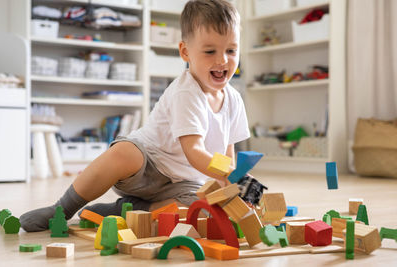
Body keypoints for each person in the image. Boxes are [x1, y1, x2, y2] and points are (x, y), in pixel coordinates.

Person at [20, 0, 250, 232]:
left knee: (200, 208)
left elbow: (226, 153)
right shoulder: (186, 92)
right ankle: (61, 209)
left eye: (231, 50)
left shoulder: (233, 99)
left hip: (182, 184)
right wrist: (229, 173)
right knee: (123, 152)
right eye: (210, 51)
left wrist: (231, 184)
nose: (222, 60)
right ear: (185, 52)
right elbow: (195, 151)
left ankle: (130, 210)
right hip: (145, 165)